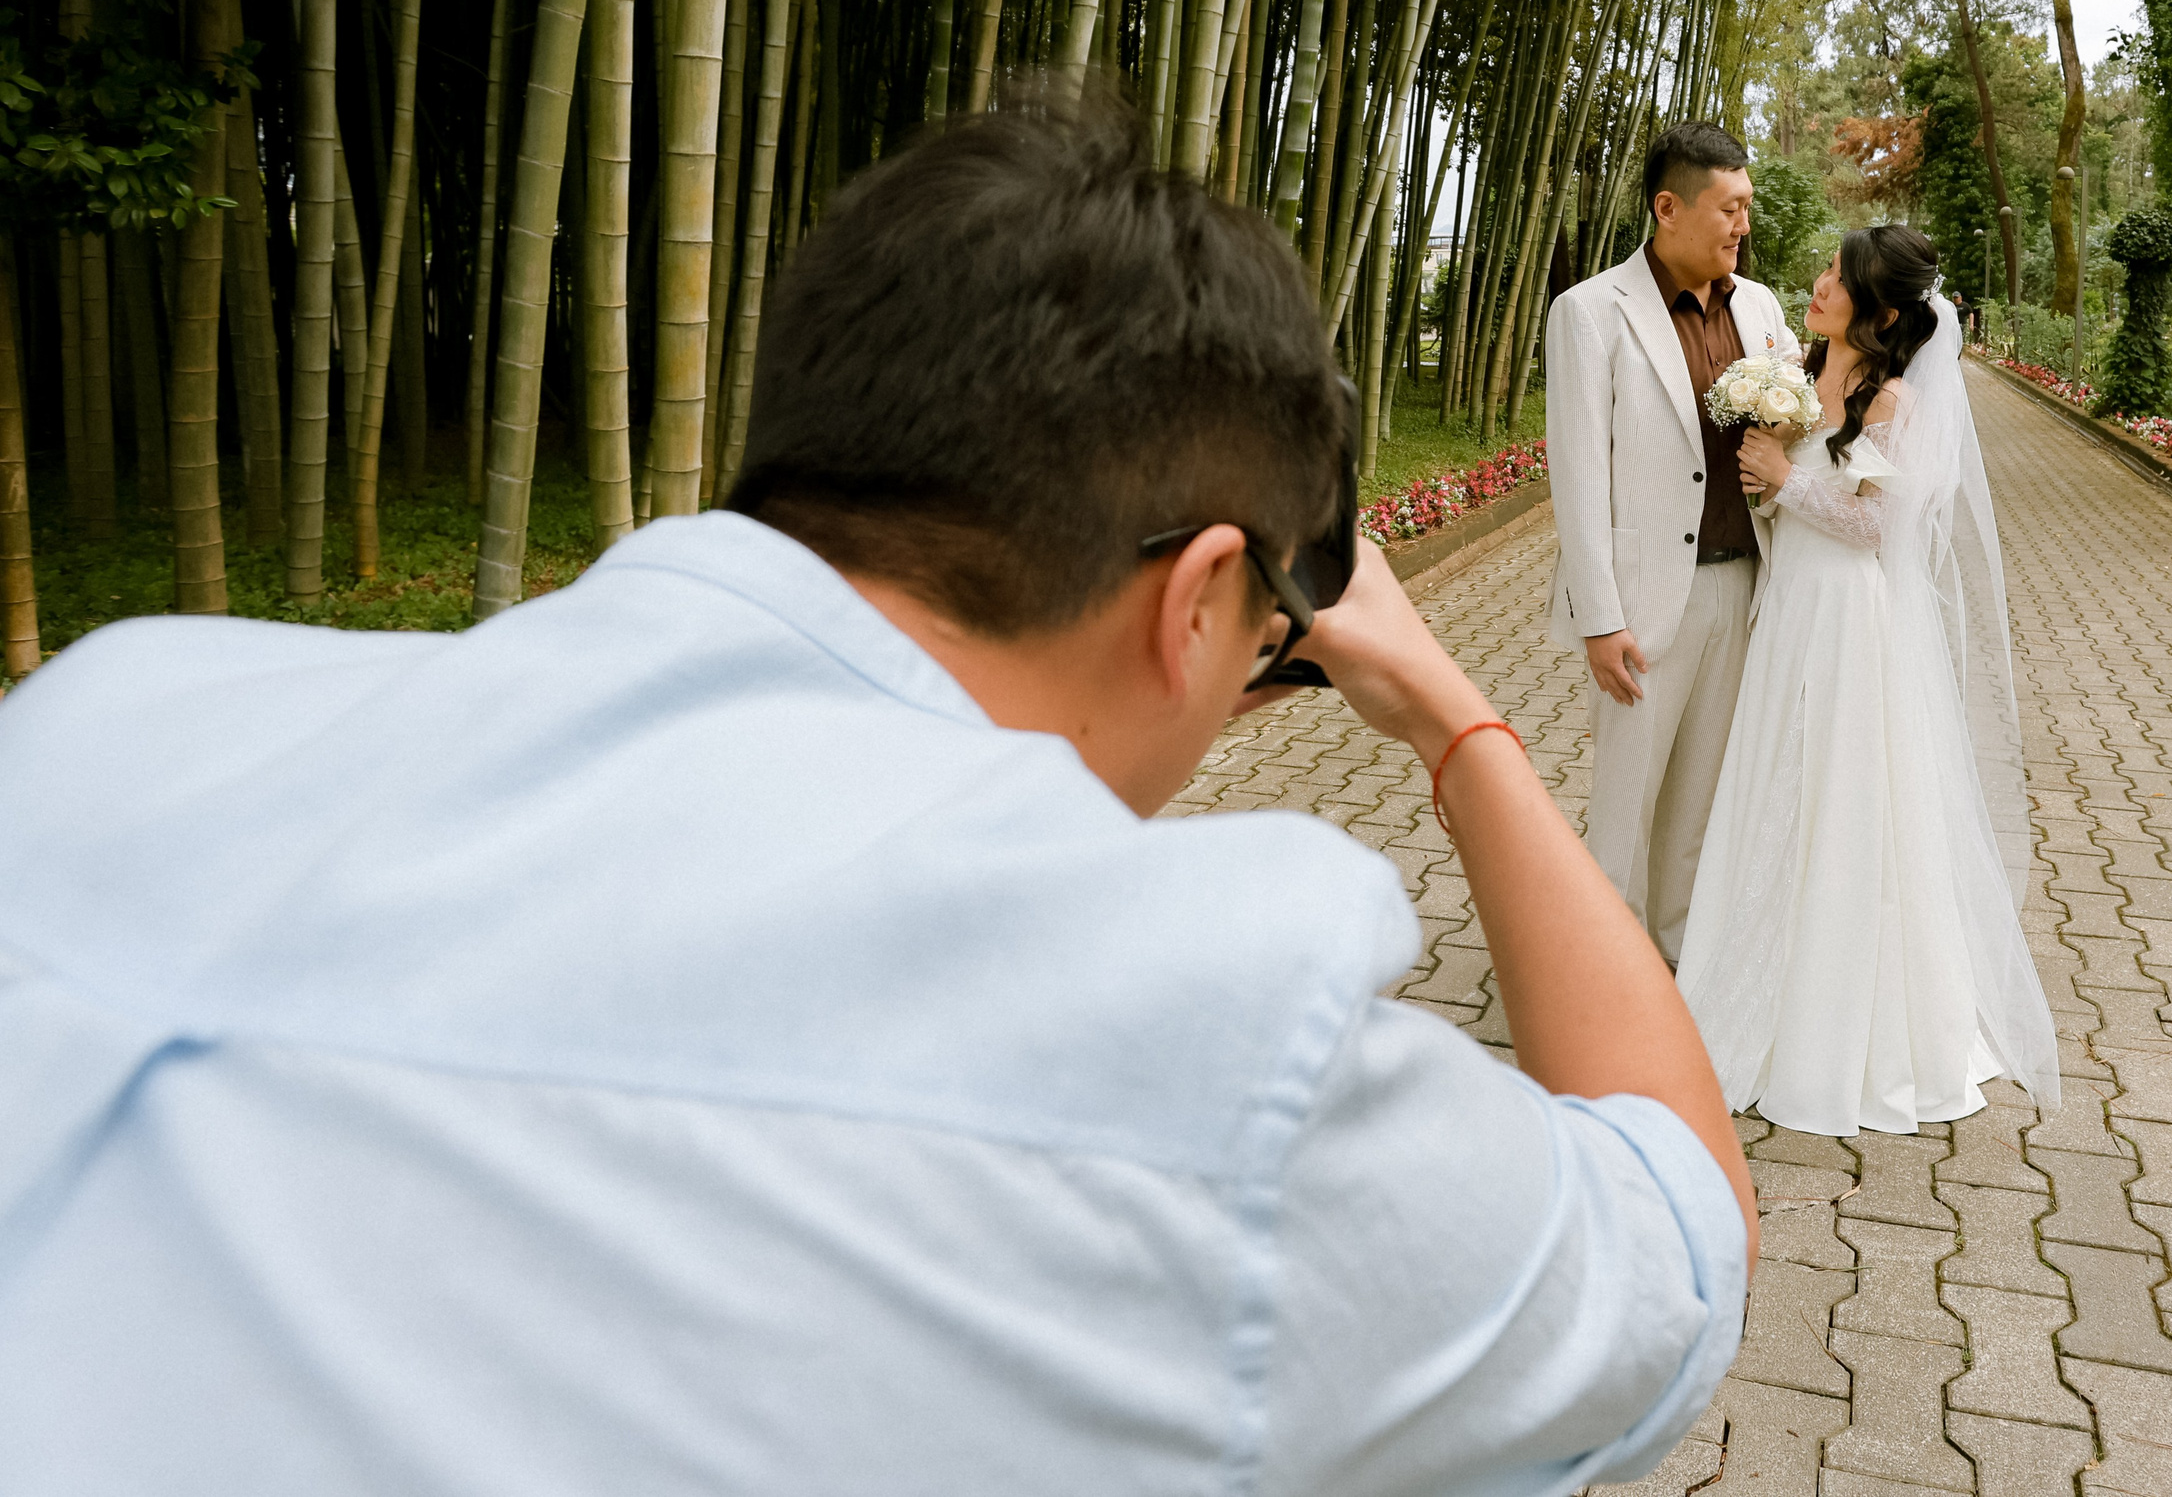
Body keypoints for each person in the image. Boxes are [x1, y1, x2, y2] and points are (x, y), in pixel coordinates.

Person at [0, 94, 1755, 1495]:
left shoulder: (114, 713)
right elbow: (1678, 1235)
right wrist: (1460, 721)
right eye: (1256, 649)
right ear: (1197, 597)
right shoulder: (1211, 1035)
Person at [1674, 224, 2060, 1137]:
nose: (1817, 284)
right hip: (1792, 605)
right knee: (1777, 781)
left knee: (1841, 794)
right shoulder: (1800, 378)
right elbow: (1800, 499)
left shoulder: (1889, 405)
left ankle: (1836, 1024)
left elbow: (1878, 529)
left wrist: (1784, 478)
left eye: (1837, 279)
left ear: (1880, 312)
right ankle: (1747, 976)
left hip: (1850, 618)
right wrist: (1772, 483)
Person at [1544, 122, 1801, 963]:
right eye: (1729, 208)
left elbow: (1801, 422)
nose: (1742, 226)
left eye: (1747, 209)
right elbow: (1579, 477)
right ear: (1668, 208)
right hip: (1644, 603)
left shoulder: (1760, 307)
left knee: (1699, 807)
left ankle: (1679, 970)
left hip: (1742, 586)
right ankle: (1601, 978)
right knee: (1626, 810)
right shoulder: (1590, 313)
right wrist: (1598, 619)